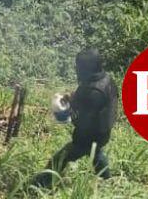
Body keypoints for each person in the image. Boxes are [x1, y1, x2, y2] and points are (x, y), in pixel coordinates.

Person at [33, 49, 117, 187]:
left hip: (89, 136)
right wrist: (73, 98)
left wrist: (65, 111)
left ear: (86, 68)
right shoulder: (105, 79)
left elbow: (83, 120)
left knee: (60, 158)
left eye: (79, 67)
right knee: (96, 153)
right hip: (103, 131)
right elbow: (89, 99)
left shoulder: (94, 92)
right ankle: (107, 180)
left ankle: (42, 183)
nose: (77, 70)